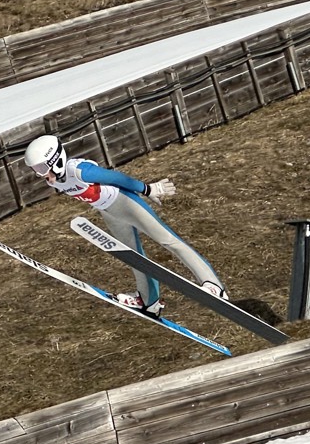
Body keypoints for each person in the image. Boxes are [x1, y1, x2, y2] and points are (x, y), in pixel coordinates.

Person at [23, 134, 227, 317]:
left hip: (126, 204)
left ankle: (213, 285)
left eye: (41, 168)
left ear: (55, 160)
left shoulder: (79, 171)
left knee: (168, 240)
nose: (40, 175)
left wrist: (147, 189)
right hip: (109, 212)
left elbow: (117, 178)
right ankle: (149, 302)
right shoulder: (55, 181)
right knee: (133, 256)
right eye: (36, 170)